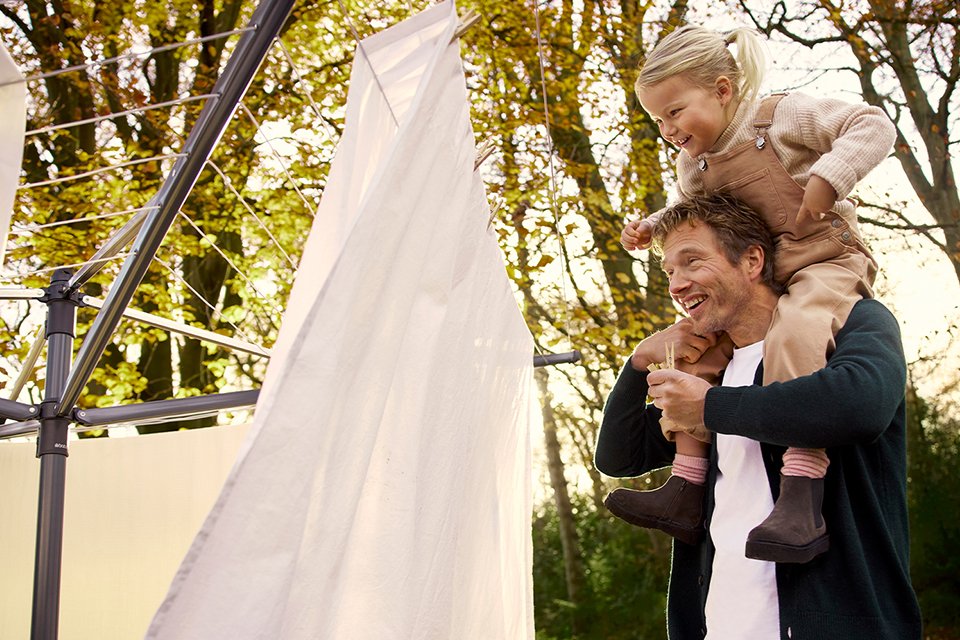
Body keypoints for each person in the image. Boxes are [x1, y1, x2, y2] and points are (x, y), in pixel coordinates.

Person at [606, 24, 897, 563]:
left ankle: (801, 490)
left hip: (823, 260)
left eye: (674, 112)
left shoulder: (779, 117)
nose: (666, 128)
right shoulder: (692, 165)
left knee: (800, 332)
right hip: (773, 277)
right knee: (695, 351)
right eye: (657, 120)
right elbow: (689, 214)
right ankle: (687, 484)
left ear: (721, 89)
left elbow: (870, 124)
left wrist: (830, 176)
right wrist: (653, 226)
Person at [595, 193, 921, 639]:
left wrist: (710, 408)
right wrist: (636, 366)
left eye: (692, 262)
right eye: (669, 271)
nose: (676, 284)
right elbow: (619, 456)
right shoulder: (712, 368)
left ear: (751, 260)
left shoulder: (853, 321)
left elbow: (859, 406)